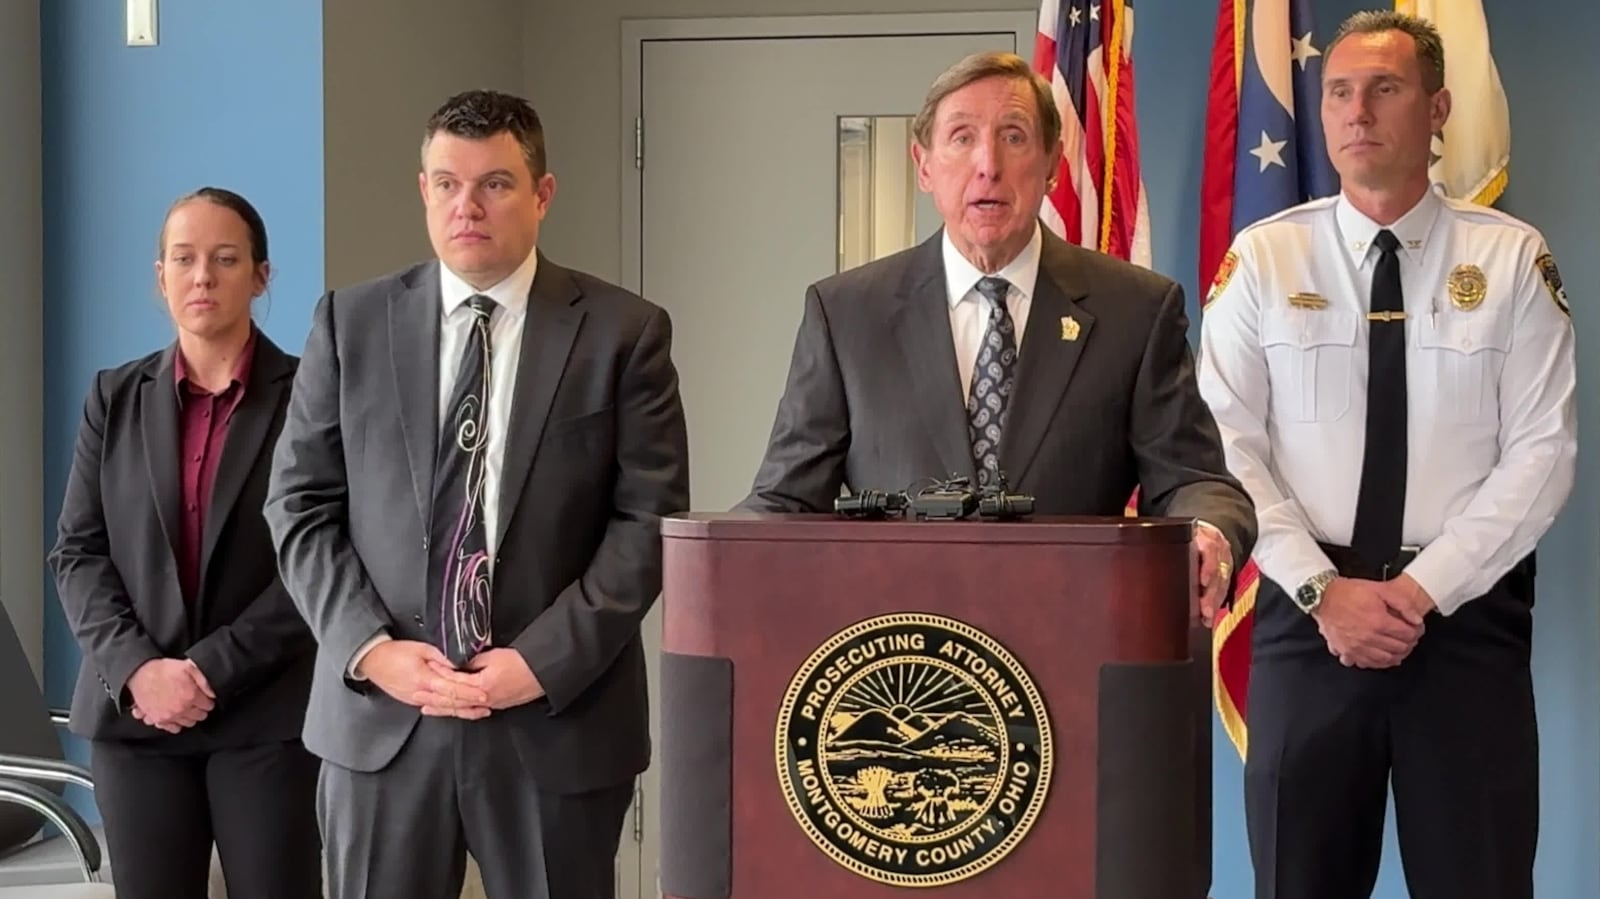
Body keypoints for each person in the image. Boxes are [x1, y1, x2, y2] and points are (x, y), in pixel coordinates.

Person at [265, 89, 689, 899]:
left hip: (552, 719)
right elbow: (299, 508)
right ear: (422, 189)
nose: (469, 205)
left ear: (542, 194)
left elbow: (648, 523)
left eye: (495, 183)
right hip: (383, 718)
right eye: (447, 183)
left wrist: (540, 660)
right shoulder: (348, 325)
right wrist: (372, 649)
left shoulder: (623, 333)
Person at [1196, 12, 1576, 899]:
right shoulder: (1262, 258)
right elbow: (1226, 444)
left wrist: (1418, 591)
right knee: (1299, 881)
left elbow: (1543, 452)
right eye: (1338, 92)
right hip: (1308, 619)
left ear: (1439, 106)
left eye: (1386, 88)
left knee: (1479, 879)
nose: (1356, 111)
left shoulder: (1512, 260)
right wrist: (1327, 593)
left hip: (1461, 624)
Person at [741, 51, 1256, 618]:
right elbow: (786, 498)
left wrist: (1209, 532)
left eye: (1013, 137)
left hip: (1075, 643)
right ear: (923, 165)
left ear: (1053, 163)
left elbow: (1197, 481)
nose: (988, 165)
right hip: (901, 662)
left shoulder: (1135, 310)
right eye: (962, 138)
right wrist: (716, 561)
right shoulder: (845, 314)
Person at [48, 187, 319, 899]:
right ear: (160, 276)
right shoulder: (114, 396)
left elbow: (318, 558)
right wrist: (140, 669)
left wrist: (206, 669)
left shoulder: (311, 397)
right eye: (185, 259)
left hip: (267, 716)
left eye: (226, 259)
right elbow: (77, 552)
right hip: (136, 719)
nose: (203, 276)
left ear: (261, 276)